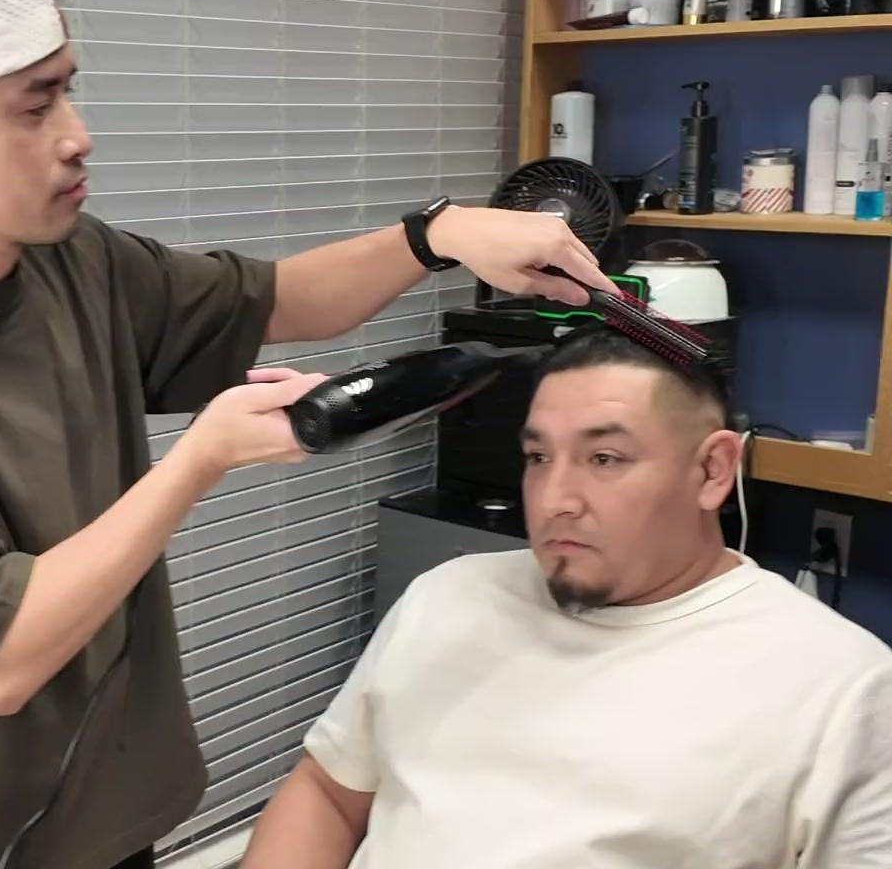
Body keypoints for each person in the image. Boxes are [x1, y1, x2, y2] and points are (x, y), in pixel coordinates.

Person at [0, 0, 615, 869]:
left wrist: (440, 234)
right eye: (36, 107)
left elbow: (284, 299)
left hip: (112, 816)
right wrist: (198, 461)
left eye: (68, 95)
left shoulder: (69, 264)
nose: (77, 138)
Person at [243, 326, 892, 869]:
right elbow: (328, 792)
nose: (555, 499)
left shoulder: (842, 692)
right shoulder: (447, 596)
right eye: (537, 458)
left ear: (713, 470)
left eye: (604, 459)